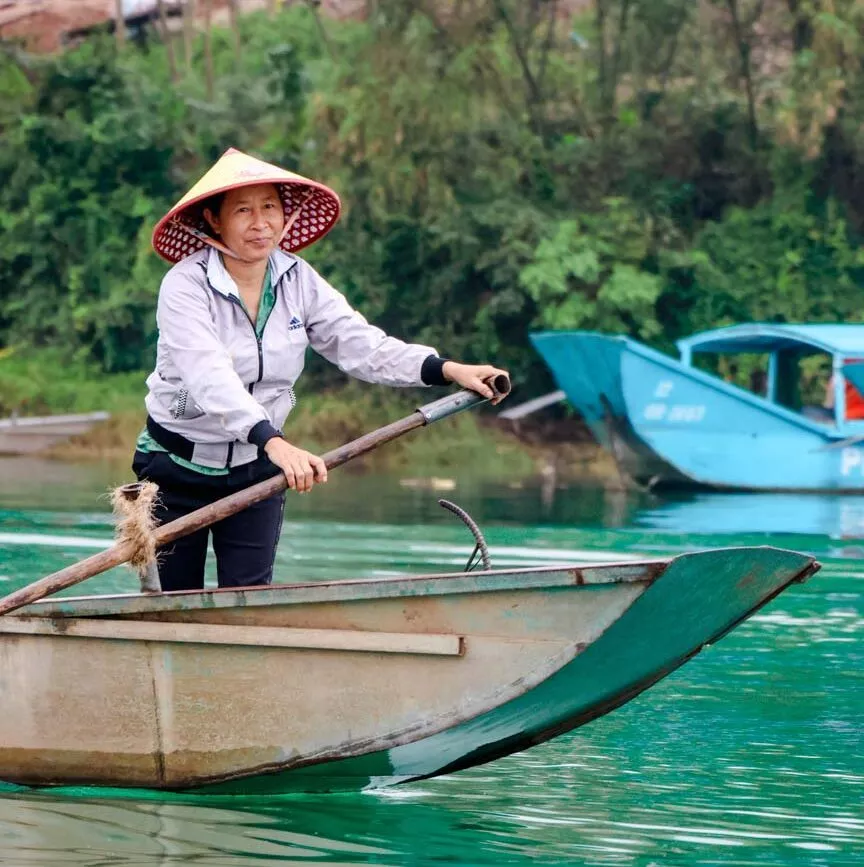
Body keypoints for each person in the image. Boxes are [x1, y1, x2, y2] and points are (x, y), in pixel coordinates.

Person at [134, 148, 509, 592]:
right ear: (214, 221)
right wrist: (273, 441)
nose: (261, 223)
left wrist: (446, 369)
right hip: (176, 469)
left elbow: (362, 345)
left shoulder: (298, 279)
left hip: (256, 472)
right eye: (243, 211)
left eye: (270, 207)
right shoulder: (185, 285)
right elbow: (207, 375)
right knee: (172, 607)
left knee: (249, 604)